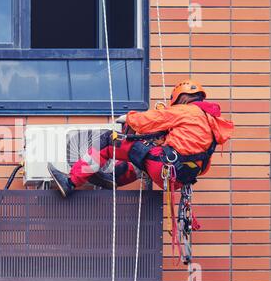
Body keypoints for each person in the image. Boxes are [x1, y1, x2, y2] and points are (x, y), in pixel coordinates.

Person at [48, 80, 234, 198]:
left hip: (165, 167)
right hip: (177, 179)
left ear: (182, 98)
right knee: (142, 157)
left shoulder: (186, 110)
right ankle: (113, 179)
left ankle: (71, 182)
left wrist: (129, 119)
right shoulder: (210, 123)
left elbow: (148, 121)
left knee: (108, 141)